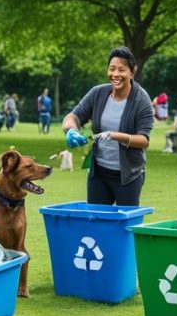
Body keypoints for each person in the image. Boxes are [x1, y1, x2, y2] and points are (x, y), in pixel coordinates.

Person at [62, 47, 154, 206]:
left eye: (121, 70)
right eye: (112, 69)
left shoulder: (141, 100)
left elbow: (144, 140)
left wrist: (115, 135)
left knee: (124, 226)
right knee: (96, 223)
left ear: (132, 72)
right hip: (99, 175)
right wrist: (71, 130)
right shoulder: (98, 93)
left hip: (128, 177)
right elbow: (73, 116)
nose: (115, 74)